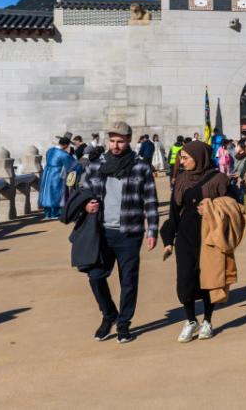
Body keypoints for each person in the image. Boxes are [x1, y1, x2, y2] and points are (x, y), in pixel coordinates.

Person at [77, 122, 159, 344]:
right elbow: (82, 193)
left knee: (128, 281)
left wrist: (153, 229)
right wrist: (86, 206)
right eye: (112, 141)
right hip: (101, 231)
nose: (115, 145)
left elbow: (150, 201)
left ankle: (123, 324)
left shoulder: (140, 167)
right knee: (95, 277)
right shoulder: (95, 165)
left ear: (129, 140)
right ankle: (109, 314)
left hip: (130, 232)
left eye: (120, 141)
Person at [161, 140, 238, 342]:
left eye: (186, 158)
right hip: (186, 237)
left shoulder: (219, 180)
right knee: (184, 282)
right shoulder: (181, 180)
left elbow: (235, 206)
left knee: (208, 280)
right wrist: (169, 238)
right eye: (182, 158)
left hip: (209, 238)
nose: (182, 162)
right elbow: (174, 211)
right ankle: (190, 320)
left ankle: (207, 321)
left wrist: (212, 207)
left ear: (199, 157)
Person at [41, 136, 79, 219]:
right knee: (56, 193)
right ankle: (55, 213)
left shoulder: (49, 150)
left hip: (47, 173)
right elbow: (73, 164)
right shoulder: (63, 154)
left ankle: (48, 213)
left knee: (47, 193)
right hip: (56, 174)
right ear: (65, 145)